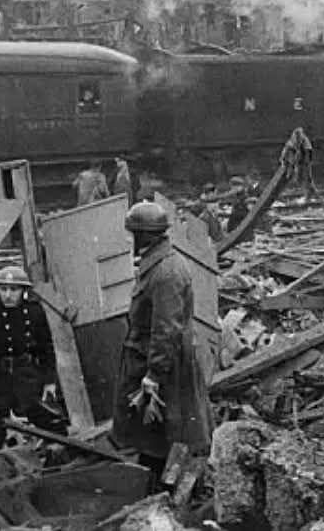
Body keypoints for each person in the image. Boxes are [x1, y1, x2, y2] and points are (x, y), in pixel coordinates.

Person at [111, 201, 212, 478]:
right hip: (151, 357)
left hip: (160, 363)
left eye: (134, 234)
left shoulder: (166, 273)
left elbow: (166, 329)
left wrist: (154, 374)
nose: (131, 240)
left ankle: (154, 482)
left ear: (144, 236)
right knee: (152, 431)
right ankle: (151, 475)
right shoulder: (159, 263)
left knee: (159, 428)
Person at [0, 266, 65, 448]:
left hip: (27, 378)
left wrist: (49, 381)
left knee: (51, 428)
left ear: (23, 291)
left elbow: (46, 349)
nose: (8, 295)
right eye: (3, 289)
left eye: (14, 289)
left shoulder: (35, 313)